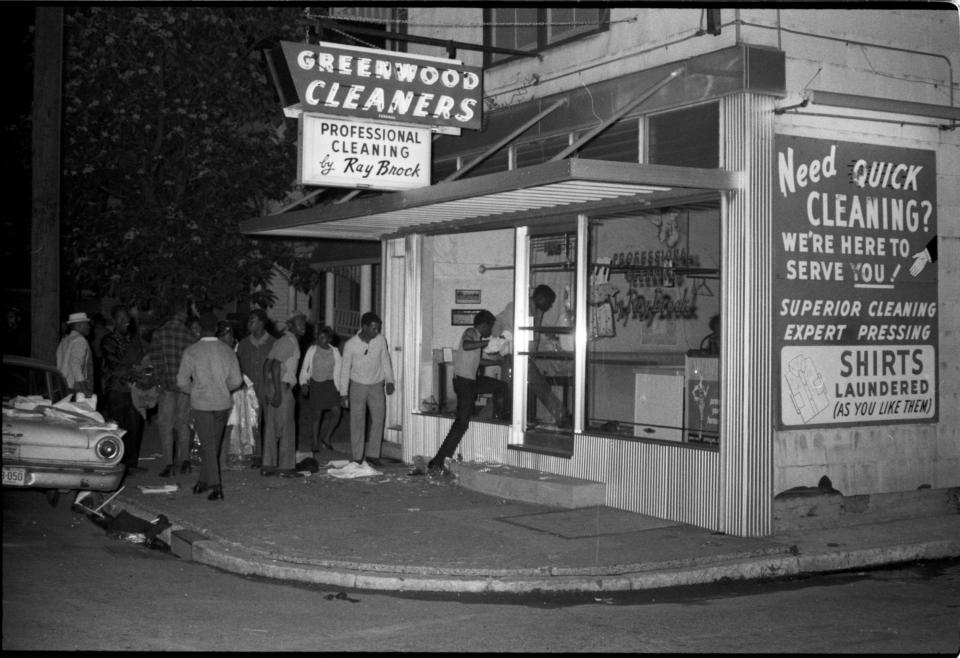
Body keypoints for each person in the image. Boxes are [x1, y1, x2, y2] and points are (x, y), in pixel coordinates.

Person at [427, 310, 506, 475]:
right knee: (461, 423)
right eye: (490, 327)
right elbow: (466, 345)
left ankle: (498, 416)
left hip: (471, 382)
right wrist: (486, 343)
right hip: (464, 383)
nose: (490, 332)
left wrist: (496, 361)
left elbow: (476, 361)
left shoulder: (477, 338)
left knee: (501, 386)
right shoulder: (470, 332)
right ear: (484, 325)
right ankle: (438, 461)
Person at [176, 311, 243, 501]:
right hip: (222, 402)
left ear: (200, 330)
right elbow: (237, 381)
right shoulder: (227, 350)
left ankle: (216, 485)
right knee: (212, 444)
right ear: (215, 329)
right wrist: (223, 388)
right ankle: (202, 482)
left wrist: (194, 390)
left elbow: (181, 382)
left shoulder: (192, 351)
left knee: (208, 444)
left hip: (202, 403)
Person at [491, 284, 571, 428]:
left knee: (518, 389)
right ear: (541, 298)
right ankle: (563, 417)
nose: (551, 306)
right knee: (516, 390)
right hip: (513, 356)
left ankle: (497, 420)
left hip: (523, 357)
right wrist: (498, 343)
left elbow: (532, 336)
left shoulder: (537, 311)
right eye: (549, 302)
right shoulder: (517, 307)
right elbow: (499, 323)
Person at [338, 312, 395, 467]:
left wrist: (390, 380)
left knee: (378, 419)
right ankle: (357, 456)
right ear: (364, 327)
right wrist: (343, 393)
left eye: (378, 328)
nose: (377, 331)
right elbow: (344, 369)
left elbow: (385, 359)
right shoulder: (351, 344)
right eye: (374, 328)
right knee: (357, 420)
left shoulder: (381, 340)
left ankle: (373, 454)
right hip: (357, 385)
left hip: (377, 384)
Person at [100, 304, 149, 473]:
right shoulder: (109, 340)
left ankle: (131, 465)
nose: (125, 321)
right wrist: (134, 370)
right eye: (120, 318)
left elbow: (143, 360)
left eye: (126, 318)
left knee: (135, 428)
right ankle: (114, 463)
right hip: (117, 390)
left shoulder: (132, 339)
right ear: (114, 320)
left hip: (133, 390)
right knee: (116, 429)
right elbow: (115, 365)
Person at [149, 302, 195, 478]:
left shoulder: (159, 334)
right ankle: (185, 461)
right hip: (184, 387)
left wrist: (160, 381)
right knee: (183, 424)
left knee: (165, 426)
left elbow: (156, 361)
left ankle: (169, 464)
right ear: (183, 314)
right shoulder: (189, 336)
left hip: (167, 386)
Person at [261, 312, 307, 473]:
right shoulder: (289, 342)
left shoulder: (281, 341)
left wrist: (268, 388)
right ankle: (286, 467)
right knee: (287, 428)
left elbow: (267, 364)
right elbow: (274, 366)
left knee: (272, 428)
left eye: (304, 324)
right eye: (299, 324)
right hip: (282, 386)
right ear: (290, 326)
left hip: (274, 385)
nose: (303, 327)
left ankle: (268, 465)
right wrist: (278, 392)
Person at [235, 309, 275, 468]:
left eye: (253, 320)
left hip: (268, 387)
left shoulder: (273, 343)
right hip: (249, 389)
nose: (249, 323)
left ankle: (269, 454)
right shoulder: (243, 344)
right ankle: (256, 454)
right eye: (249, 320)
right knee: (252, 422)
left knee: (270, 421)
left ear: (262, 322)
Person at [298, 325, 343, 460]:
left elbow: (339, 371)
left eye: (324, 337)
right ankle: (315, 442)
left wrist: (342, 389)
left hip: (330, 385)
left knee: (337, 412)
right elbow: (305, 368)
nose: (320, 339)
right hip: (316, 384)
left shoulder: (335, 352)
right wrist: (304, 383)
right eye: (319, 337)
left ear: (329, 339)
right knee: (317, 415)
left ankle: (327, 437)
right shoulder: (312, 350)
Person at [55, 312, 95, 396]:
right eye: (86, 324)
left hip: (63, 384)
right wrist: (84, 389)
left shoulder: (65, 340)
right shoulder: (80, 340)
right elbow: (75, 364)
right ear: (78, 326)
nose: (89, 327)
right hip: (76, 385)